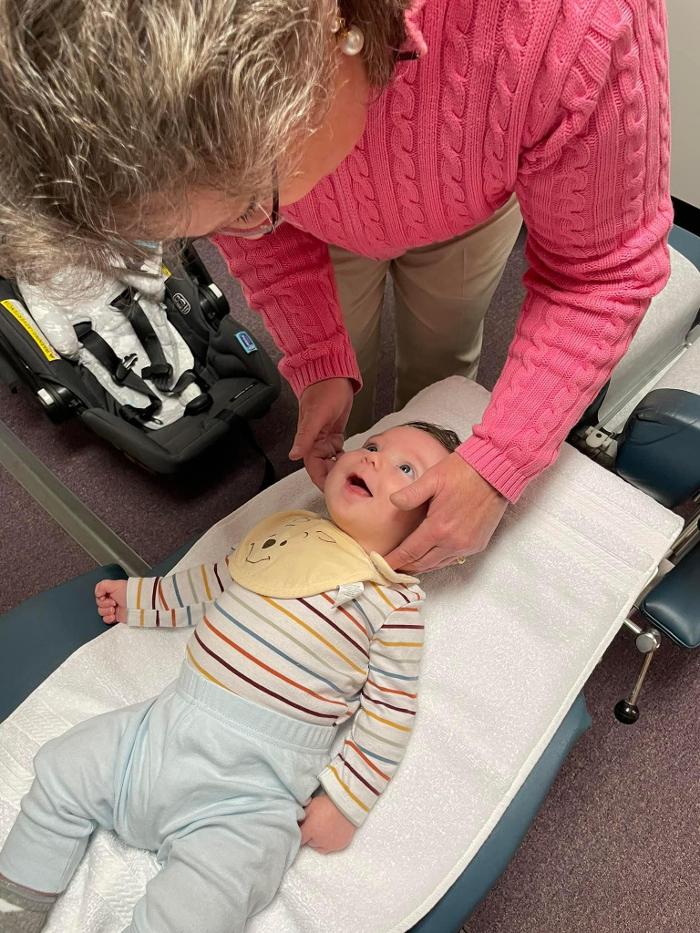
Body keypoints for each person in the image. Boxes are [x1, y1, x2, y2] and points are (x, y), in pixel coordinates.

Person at [0, 1, 672, 572]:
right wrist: (318, 355)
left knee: (443, 356)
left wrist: (500, 462)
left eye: (248, 202)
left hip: (473, 187)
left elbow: (601, 271)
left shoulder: (574, 25)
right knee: (343, 351)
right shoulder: (231, 147)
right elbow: (241, 210)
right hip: (300, 182)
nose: (370, 461)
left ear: (329, 39)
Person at [0, 421, 459, 933]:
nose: (373, 458)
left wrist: (345, 802)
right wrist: (142, 598)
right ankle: (13, 912)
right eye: (373, 445)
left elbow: (390, 710)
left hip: (250, 790)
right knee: (65, 770)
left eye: (406, 469)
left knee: (212, 892)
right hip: (157, 733)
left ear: (430, 532)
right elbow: (211, 582)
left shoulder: (392, 603)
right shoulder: (288, 535)